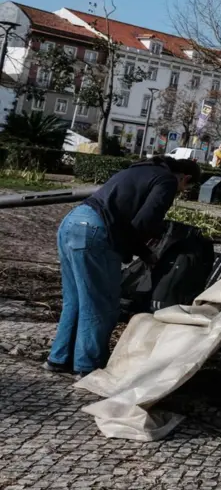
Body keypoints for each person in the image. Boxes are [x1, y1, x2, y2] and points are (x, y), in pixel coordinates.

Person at [44, 156, 202, 377]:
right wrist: (147, 253)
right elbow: (143, 223)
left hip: (71, 222)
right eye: (186, 187)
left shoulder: (140, 170)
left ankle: (58, 359)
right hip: (94, 232)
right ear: (185, 177)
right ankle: (88, 366)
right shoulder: (166, 181)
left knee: (75, 300)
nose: (181, 192)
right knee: (103, 303)